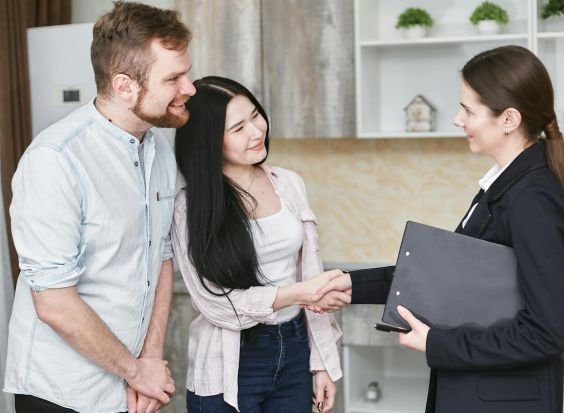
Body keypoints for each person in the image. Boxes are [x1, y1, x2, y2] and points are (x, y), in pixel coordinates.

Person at [312, 45, 564, 413]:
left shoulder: (532, 198)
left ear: (508, 119)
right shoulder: (504, 187)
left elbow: (544, 335)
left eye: (468, 110)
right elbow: (447, 279)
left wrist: (438, 343)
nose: (457, 119)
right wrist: (352, 284)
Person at [3, 2, 195, 413]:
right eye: (174, 77)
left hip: (128, 384)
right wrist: (136, 371)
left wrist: (149, 360)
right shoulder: (55, 159)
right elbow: (54, 302)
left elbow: (160, 256)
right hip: (62, 392)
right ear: (125, 85)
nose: (189, 88)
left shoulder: (160, 149)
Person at [172, 76, 348, 413]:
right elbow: (216, 305)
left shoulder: (288, 183)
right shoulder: (190, 207)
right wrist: (298, 293)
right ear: (209, 141)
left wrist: (323, 362)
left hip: (295, 348)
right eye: (238, 128)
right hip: (232, 359)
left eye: (255, 115)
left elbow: (310, 272)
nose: (256, 131)